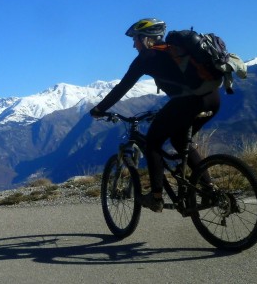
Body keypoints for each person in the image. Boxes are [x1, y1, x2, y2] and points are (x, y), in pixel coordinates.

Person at [89, 18, 221, 212]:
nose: (134, 44)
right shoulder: (176, 51)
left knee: (152, 142)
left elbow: (122, 87)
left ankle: (156, 197)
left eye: (135, 39)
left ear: (146, 38)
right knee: (179, 140)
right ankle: (210, 190)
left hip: (189, 102)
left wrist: (99, 109)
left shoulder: (146, 57)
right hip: (213, 98)